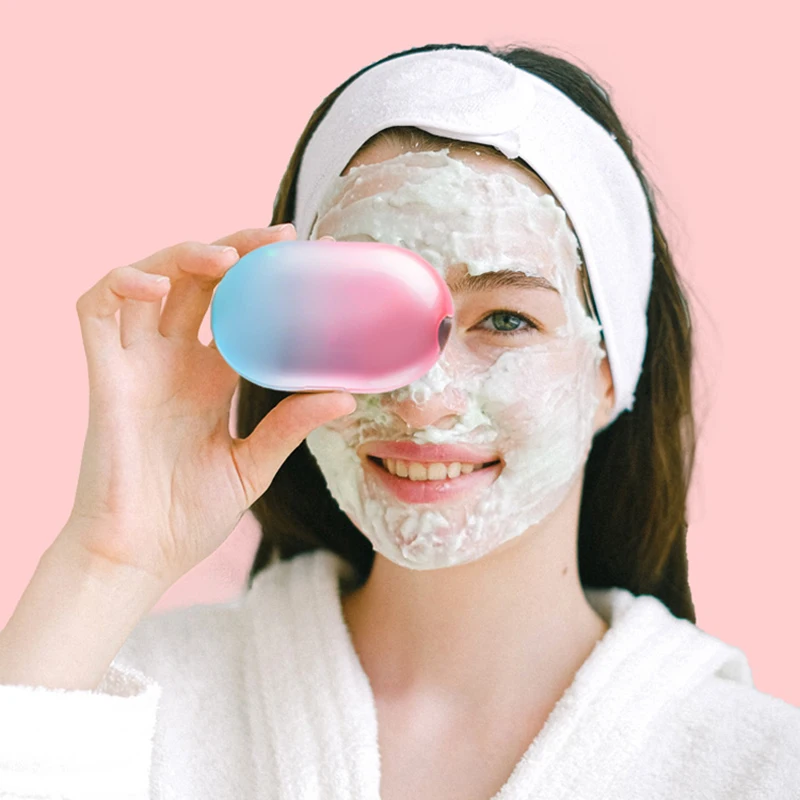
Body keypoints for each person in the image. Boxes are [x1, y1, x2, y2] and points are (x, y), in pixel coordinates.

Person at [0, 42, 797, 800]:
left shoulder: (760, 768)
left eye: (507, 320)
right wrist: (107, 560)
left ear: (608, 367)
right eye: (363, 314)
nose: (423, 396)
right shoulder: (117, 704)